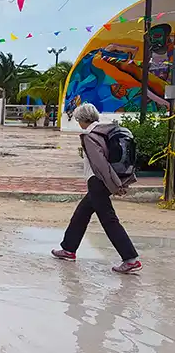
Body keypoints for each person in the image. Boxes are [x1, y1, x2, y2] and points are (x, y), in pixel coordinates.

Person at [52, 103, 141, 274]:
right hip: (101, 182)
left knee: (109, 220)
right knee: (82, 213)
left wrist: (115, 185)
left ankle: (130, 259)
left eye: (78, 120)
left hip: (97, 182)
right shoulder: (105, 131)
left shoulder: (91, 137)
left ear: (81, 120)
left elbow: (101, 165)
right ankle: (69, 249)